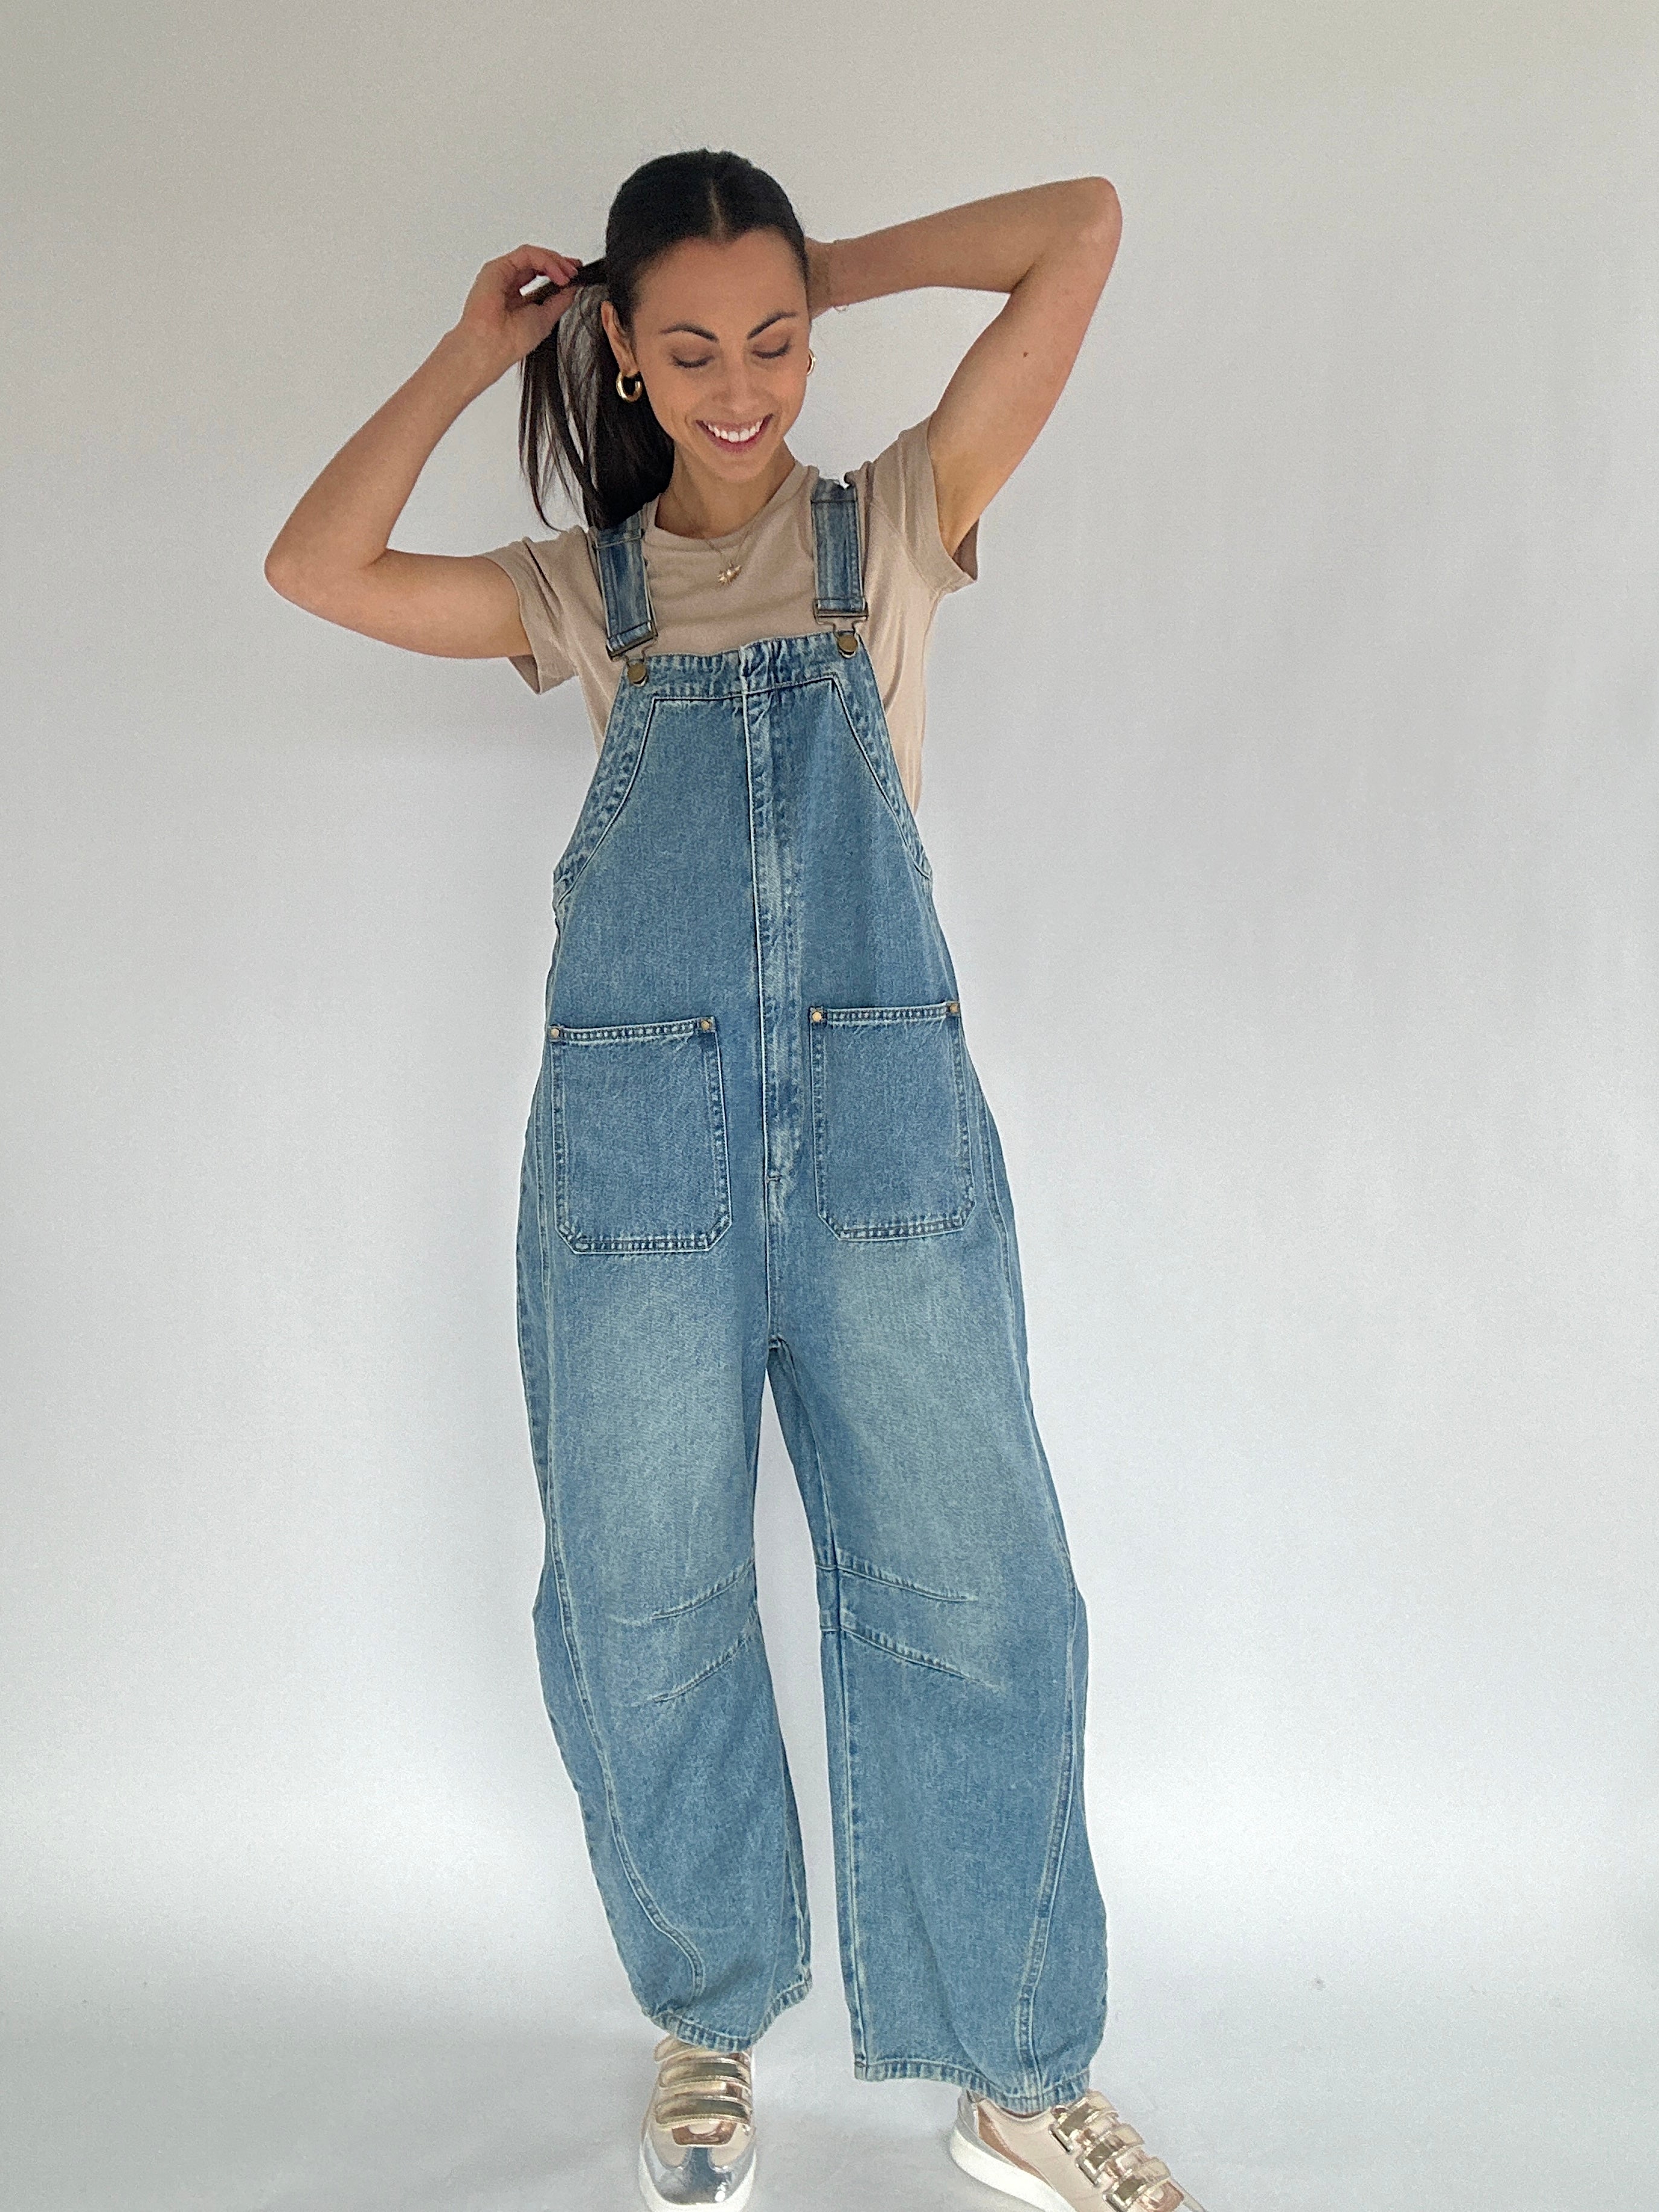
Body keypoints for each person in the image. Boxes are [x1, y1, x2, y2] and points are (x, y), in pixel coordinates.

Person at [265, 148, 1208, 2212]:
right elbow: (314, 569)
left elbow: (1081, 227)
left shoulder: (901, 524)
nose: (742, 383)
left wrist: (823, 272)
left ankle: (1018, 2075)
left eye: (771, 339)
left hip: (882, 1135)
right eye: (685, 345)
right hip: (637, 1163)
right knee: (637, 1599)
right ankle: (710, 2014)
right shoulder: (579, 590)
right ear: (618, 347)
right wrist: (460, 357)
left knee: (986, 1593)